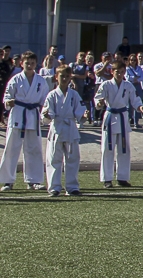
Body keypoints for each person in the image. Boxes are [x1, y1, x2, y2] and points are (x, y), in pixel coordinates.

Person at [1, 51, 50, 191]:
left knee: (34, 148)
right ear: (22, 63)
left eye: (32, 63)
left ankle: (34, 181)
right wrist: (8, 102)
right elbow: (7, 96)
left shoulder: (41, 81)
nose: (29, 65)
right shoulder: (15, 79)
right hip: (18, 114)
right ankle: (7, 181)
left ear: (36, 64)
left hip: (33, 115)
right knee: (11, 148)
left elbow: (45, 100)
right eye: (27, 63)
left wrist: (45, 111)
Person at [96, 60, 142, 187]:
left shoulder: (128, 86)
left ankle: (122, 177)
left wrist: (140, 107)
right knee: (107, 149)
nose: (120, 74)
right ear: (112, 72)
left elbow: (135, 100)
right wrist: (99, 103)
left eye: (122, 72)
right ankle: (107, 178)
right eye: (117, 72)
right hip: (110, 116)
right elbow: (98, 98)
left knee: (124, 149)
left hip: (122, 117)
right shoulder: (106, 85)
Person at [42, 65, 86, 196]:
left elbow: (80, 112)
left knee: (72, 158)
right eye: (62, 76)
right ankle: (54, 187)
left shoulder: (74, 94)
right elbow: (47, 115)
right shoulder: (52, 95)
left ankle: (72, 187)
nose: (65, 79)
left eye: (67, 76)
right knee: (54, 159)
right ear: (56, 77)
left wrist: (84, 116)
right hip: (57, 127)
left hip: (70, 127)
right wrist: (47, 116)